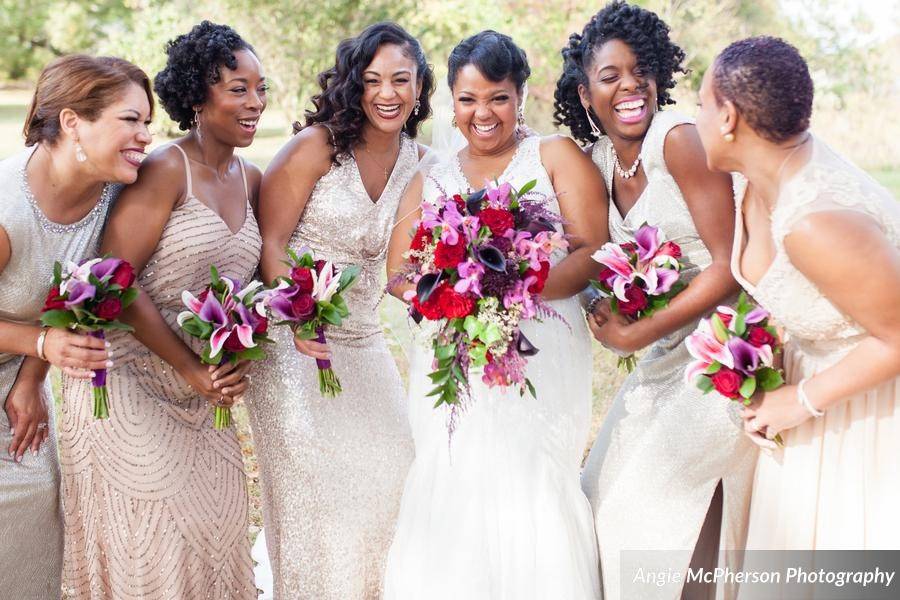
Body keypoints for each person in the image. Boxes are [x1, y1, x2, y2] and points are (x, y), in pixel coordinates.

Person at [383, 30, 608, 600]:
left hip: (541, 354)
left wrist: (507, 290)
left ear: (521, 94)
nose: (482, 113)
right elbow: (399, 273)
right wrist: (452, 297)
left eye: (498, 98)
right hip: (454, 354)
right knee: (455, 470)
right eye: (467, 99)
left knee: (532, 476)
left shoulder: (554, 156)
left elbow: (591, 252)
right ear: (450, 102)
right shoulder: (430, 176)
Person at [554, 3, 758, 597]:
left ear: (660, 74)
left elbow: (731, 269)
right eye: (609, 75)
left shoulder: (678, 142)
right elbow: (593, 258)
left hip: (726, 345)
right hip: (663, 354)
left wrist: (635, 333)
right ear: (585, 93)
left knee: (644, 513)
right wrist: (598, 302)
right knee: (595, 495)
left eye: (641, 69)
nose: (629, 85)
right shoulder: (593, 163)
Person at [59, 22, 264, 597]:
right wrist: (189, 368)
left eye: (260, 88)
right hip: (124, 378)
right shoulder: (166, 169)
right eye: (237, 89)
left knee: (223, 521)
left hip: (203, 391)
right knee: (161, 540)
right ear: (198, 99)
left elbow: (264, 279)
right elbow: (116, 282)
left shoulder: (252, 179)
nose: (255, 103)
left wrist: (243, 348)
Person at [249, 22, 432, 599]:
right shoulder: (317, 147)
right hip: (289, 338)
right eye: (373, 80)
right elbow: (268, 245)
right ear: (354, 85)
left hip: (363, 338)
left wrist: (460, 303)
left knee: (393, 474)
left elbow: (400, 272)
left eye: (400, 79)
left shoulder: (420, 163)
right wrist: (302, 314)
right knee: (317, 494)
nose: (387, 93)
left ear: (420, 86)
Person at [696, 36, 900, 551]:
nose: (694, 118)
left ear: (729, 119)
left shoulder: (816, 222)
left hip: (869, 420)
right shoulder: (754, 176)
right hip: (811, 404)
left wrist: (801, 401)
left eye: (701, 104)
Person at [0, 53, 148, 599]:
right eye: (130, 120)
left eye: (147, 122)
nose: (145, 136)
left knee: (39, 506)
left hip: (20, 378)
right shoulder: (7, 206)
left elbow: (66, 298)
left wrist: (32, 377)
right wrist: (41, 345)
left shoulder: (114, 195)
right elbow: (48, 323)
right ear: (71, 121)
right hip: (23, 353)